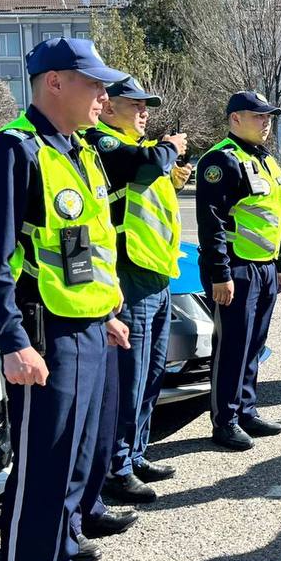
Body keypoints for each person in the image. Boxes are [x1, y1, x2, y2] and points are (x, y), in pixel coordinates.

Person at [0, 37, 131, 561]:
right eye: (95, 83)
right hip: (43, 333)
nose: (104, 96)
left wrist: (105, 310)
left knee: (76, 462)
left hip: (85, 327)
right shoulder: (13, 151)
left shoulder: (77, 150)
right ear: (55, 82)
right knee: (44, 469)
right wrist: (11, 340)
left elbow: (81, 244)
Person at [85, 77, 191, 501]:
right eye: (136, 105)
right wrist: (170, 149)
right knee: (129, 379)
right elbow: (142, 168)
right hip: (129, 275)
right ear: (108, 107)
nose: (144, 112)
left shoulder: (141, 151)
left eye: (147, 106)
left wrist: (174, 173)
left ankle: (136, 451)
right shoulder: (103, 141)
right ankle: (116, 466)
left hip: (157, 274)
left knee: (150, 375)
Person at [195, 92, 281, 451]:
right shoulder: (221, 160)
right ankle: (226, 420)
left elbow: (276, 216)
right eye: (258, 116)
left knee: (253, 344)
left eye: (269, 117)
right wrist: (220, 274)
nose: (266, 122)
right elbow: (212, 221)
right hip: (235, 268)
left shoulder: (264, 159)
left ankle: (247, 410)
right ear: (235, 119)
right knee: (232, 347)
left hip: (263, 267)